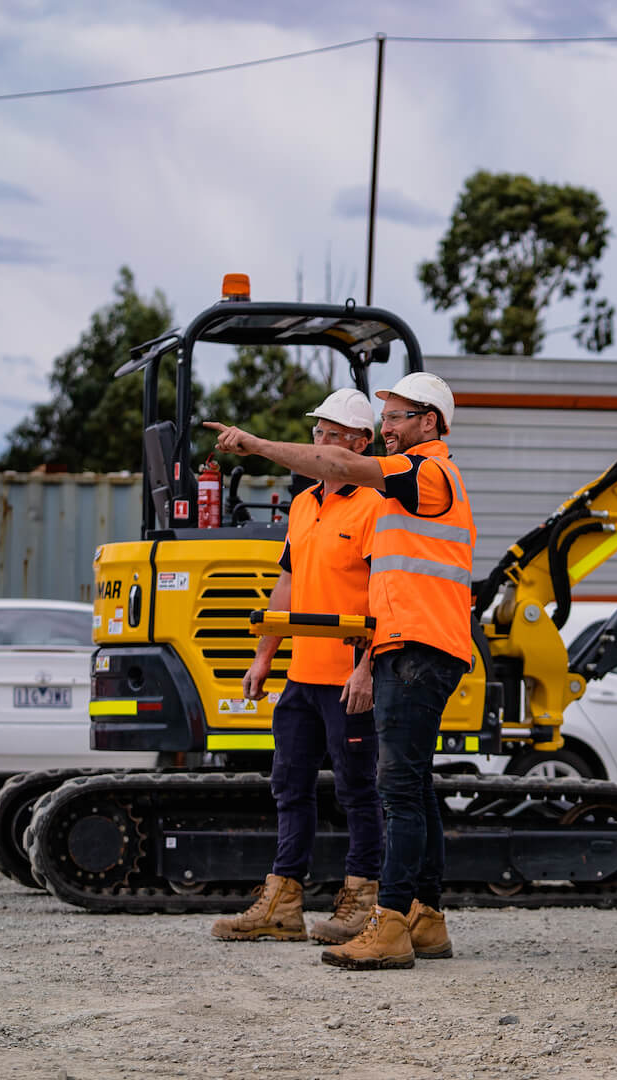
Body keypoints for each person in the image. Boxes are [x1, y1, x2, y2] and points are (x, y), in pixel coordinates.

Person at [205, 370, 474, 971]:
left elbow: (344, 468)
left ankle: (390, 922)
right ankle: (424, 919)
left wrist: (255, 445)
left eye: (399, 417)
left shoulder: (422, 473)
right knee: (411, 788)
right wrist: (270, 654)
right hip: (405, 645)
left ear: (429, 422)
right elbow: (299, 579)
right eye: (385, 418)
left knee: (393, 791)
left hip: (416, 645)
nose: (388, 429)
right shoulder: (397, 484)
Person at [209, 388, 387, 945]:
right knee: (289, 785)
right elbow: (289, 583)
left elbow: (384, 596)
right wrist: (264, 657)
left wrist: (367, 669)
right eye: (318, 432)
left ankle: (364, 900)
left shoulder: (377, 506)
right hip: (303, 677)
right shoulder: (307, 503)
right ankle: (283, 901)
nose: (322, 443)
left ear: (361, 443)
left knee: (358, 789)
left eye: (334, 435)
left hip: (347, 678)